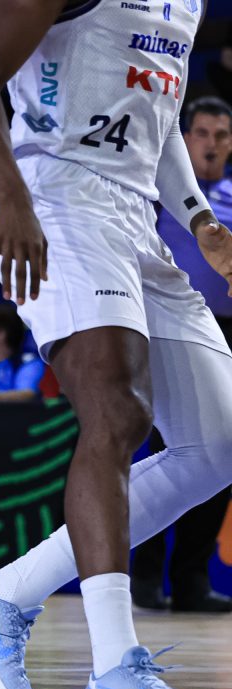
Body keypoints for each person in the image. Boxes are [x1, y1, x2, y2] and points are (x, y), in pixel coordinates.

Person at [0, 0, 232, 689]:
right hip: (55, 196)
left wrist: (200, 218)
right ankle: (114, 674)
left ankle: (4, 594)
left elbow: (158, 119)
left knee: (219, 445)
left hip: (137, 214)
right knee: (116, 411)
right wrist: (10, 196)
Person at [131, 96, 232, 614]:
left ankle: (191, 579)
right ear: (185, 138)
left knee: (223, 451)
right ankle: (145, 578)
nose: (211, 144)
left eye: (222, 135)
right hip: (166, 328)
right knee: (165, 449)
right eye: (203, 134)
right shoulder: (159, 191)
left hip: (227, 329)